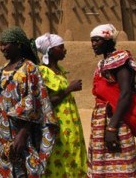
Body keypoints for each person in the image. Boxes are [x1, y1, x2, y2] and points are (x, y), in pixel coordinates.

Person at [0, 26, 58, 177]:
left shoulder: (29, 68)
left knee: (20, 169)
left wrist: (23, 132)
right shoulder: (2, 69)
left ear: (18, 44)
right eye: (0, 44)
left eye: (6, 44)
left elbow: (34, 102)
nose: (2, 48)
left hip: (17, 133)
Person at [88, 24, 136, 177]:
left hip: (117, 121)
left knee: (121, 158)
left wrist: (112, 128)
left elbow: (125, 93)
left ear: (109, 40)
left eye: (98, 40)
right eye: (92, 41)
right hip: (103, 121)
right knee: (103, 162)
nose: (94, 44)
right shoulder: (103, 63)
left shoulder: (120, 60)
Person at [35, 33, 87, 177]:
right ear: (50, 50)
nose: (65, 50)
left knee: (72, 155)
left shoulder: (60, 70)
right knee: (59, 160)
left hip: (70, 123)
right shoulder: (42, 72)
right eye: (61, 47)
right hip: (56, 124)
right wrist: (69, 89)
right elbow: (44, 103)